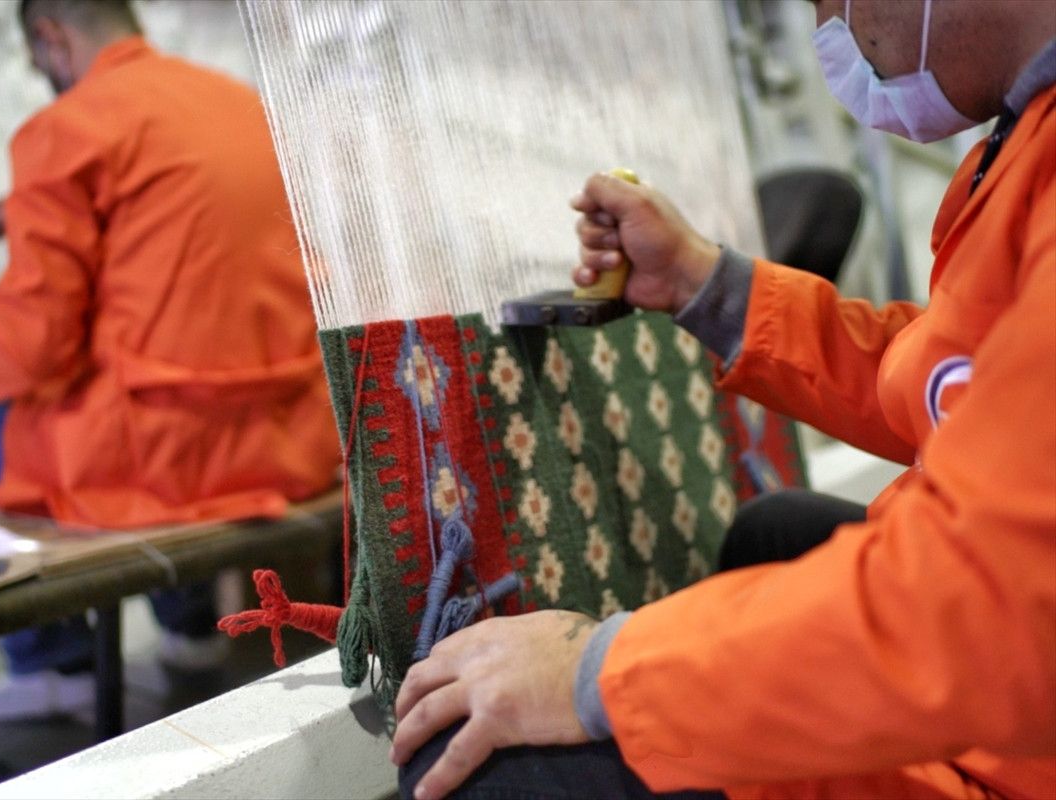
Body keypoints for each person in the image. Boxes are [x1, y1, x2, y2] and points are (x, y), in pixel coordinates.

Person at [392, 0, 1055, 798]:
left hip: (1012, 740)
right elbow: (954, 382)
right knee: (775, 532)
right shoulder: (1032, 139)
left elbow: (983, 608)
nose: (831, 29)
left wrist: (597, 672)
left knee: (481, 764)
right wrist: (706, 286)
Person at [0, 0, 339, 720]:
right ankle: (192, 629)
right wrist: (28, 210)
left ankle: (55, 663)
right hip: (285, 442)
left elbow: (32, 347)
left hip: (164, 456)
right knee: (152, 380)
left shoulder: (67, 129)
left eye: (37, 65)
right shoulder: (242, 107)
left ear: (50, 38)